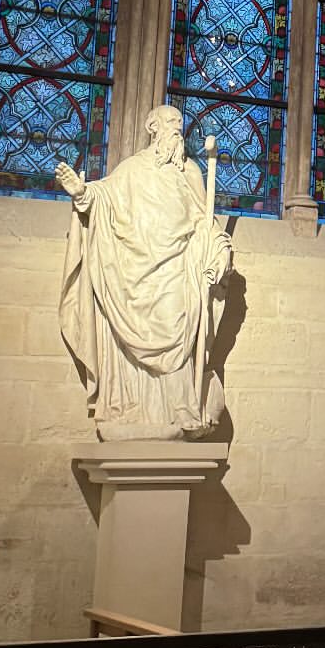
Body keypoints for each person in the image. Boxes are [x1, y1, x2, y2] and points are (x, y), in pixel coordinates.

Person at [57, 105, 232, 441]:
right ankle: (133, 409)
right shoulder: (132, 169)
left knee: (177, 329)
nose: (177, 127)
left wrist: (217, 251)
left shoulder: (190, 172)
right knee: (133, 335)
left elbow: (204, 221)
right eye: (171, 121)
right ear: (153, 127)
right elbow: (103, 195)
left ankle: (179, 411)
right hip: (135, 271)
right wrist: (82, 192)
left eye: (180, 123)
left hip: (177, 271)